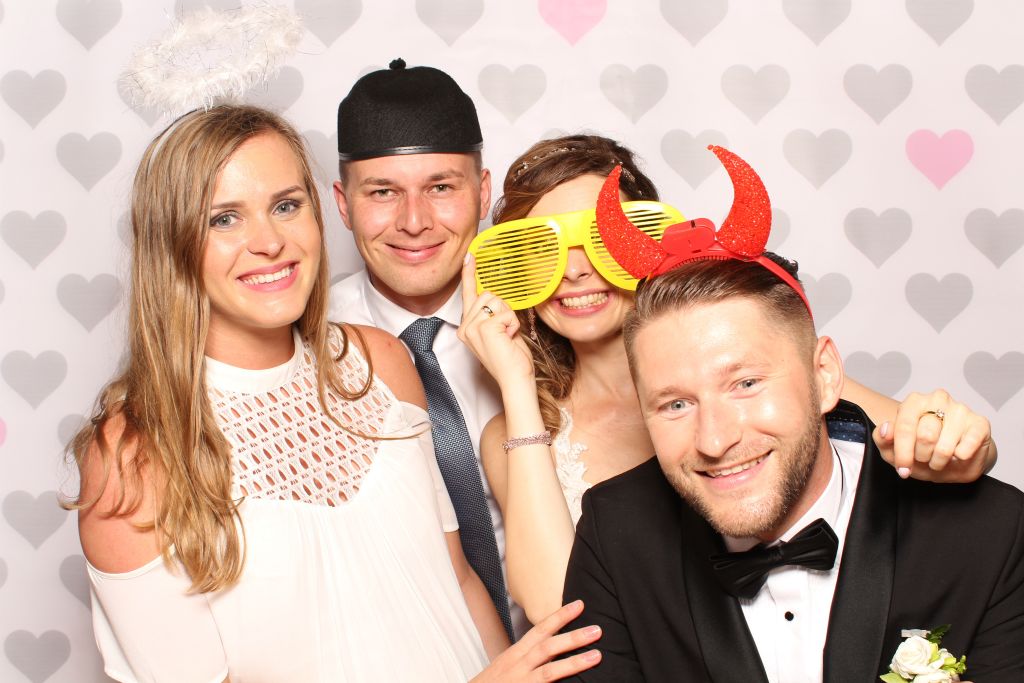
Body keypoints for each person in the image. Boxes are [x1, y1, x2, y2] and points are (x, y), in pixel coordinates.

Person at [68, 104, 601, 682]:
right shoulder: (132, 455)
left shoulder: (379, 362)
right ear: (170, 241)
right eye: (224, 219)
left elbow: (460, 580)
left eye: (285, 206)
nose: (269, 241)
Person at [458, 135, 999, 624]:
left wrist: (959, 439)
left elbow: (937, 446)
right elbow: (557, 609)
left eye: (601, 240)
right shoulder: (518, 432)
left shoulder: (755, 370)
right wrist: (516, 382)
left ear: (644, 242)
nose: (575, 271)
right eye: (539, 252)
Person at [557, 146, 1024, 681]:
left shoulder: (988, 532)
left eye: (746, 384)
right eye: (676, 404)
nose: (714, 440)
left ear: (824, 375)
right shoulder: (616, 535)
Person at [328, 59, 525, 638]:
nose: (414, 222)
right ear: (343, 203)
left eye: (441, 187)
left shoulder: (550, 317)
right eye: (383, 192)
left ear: (482, 193)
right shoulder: (303, 346)